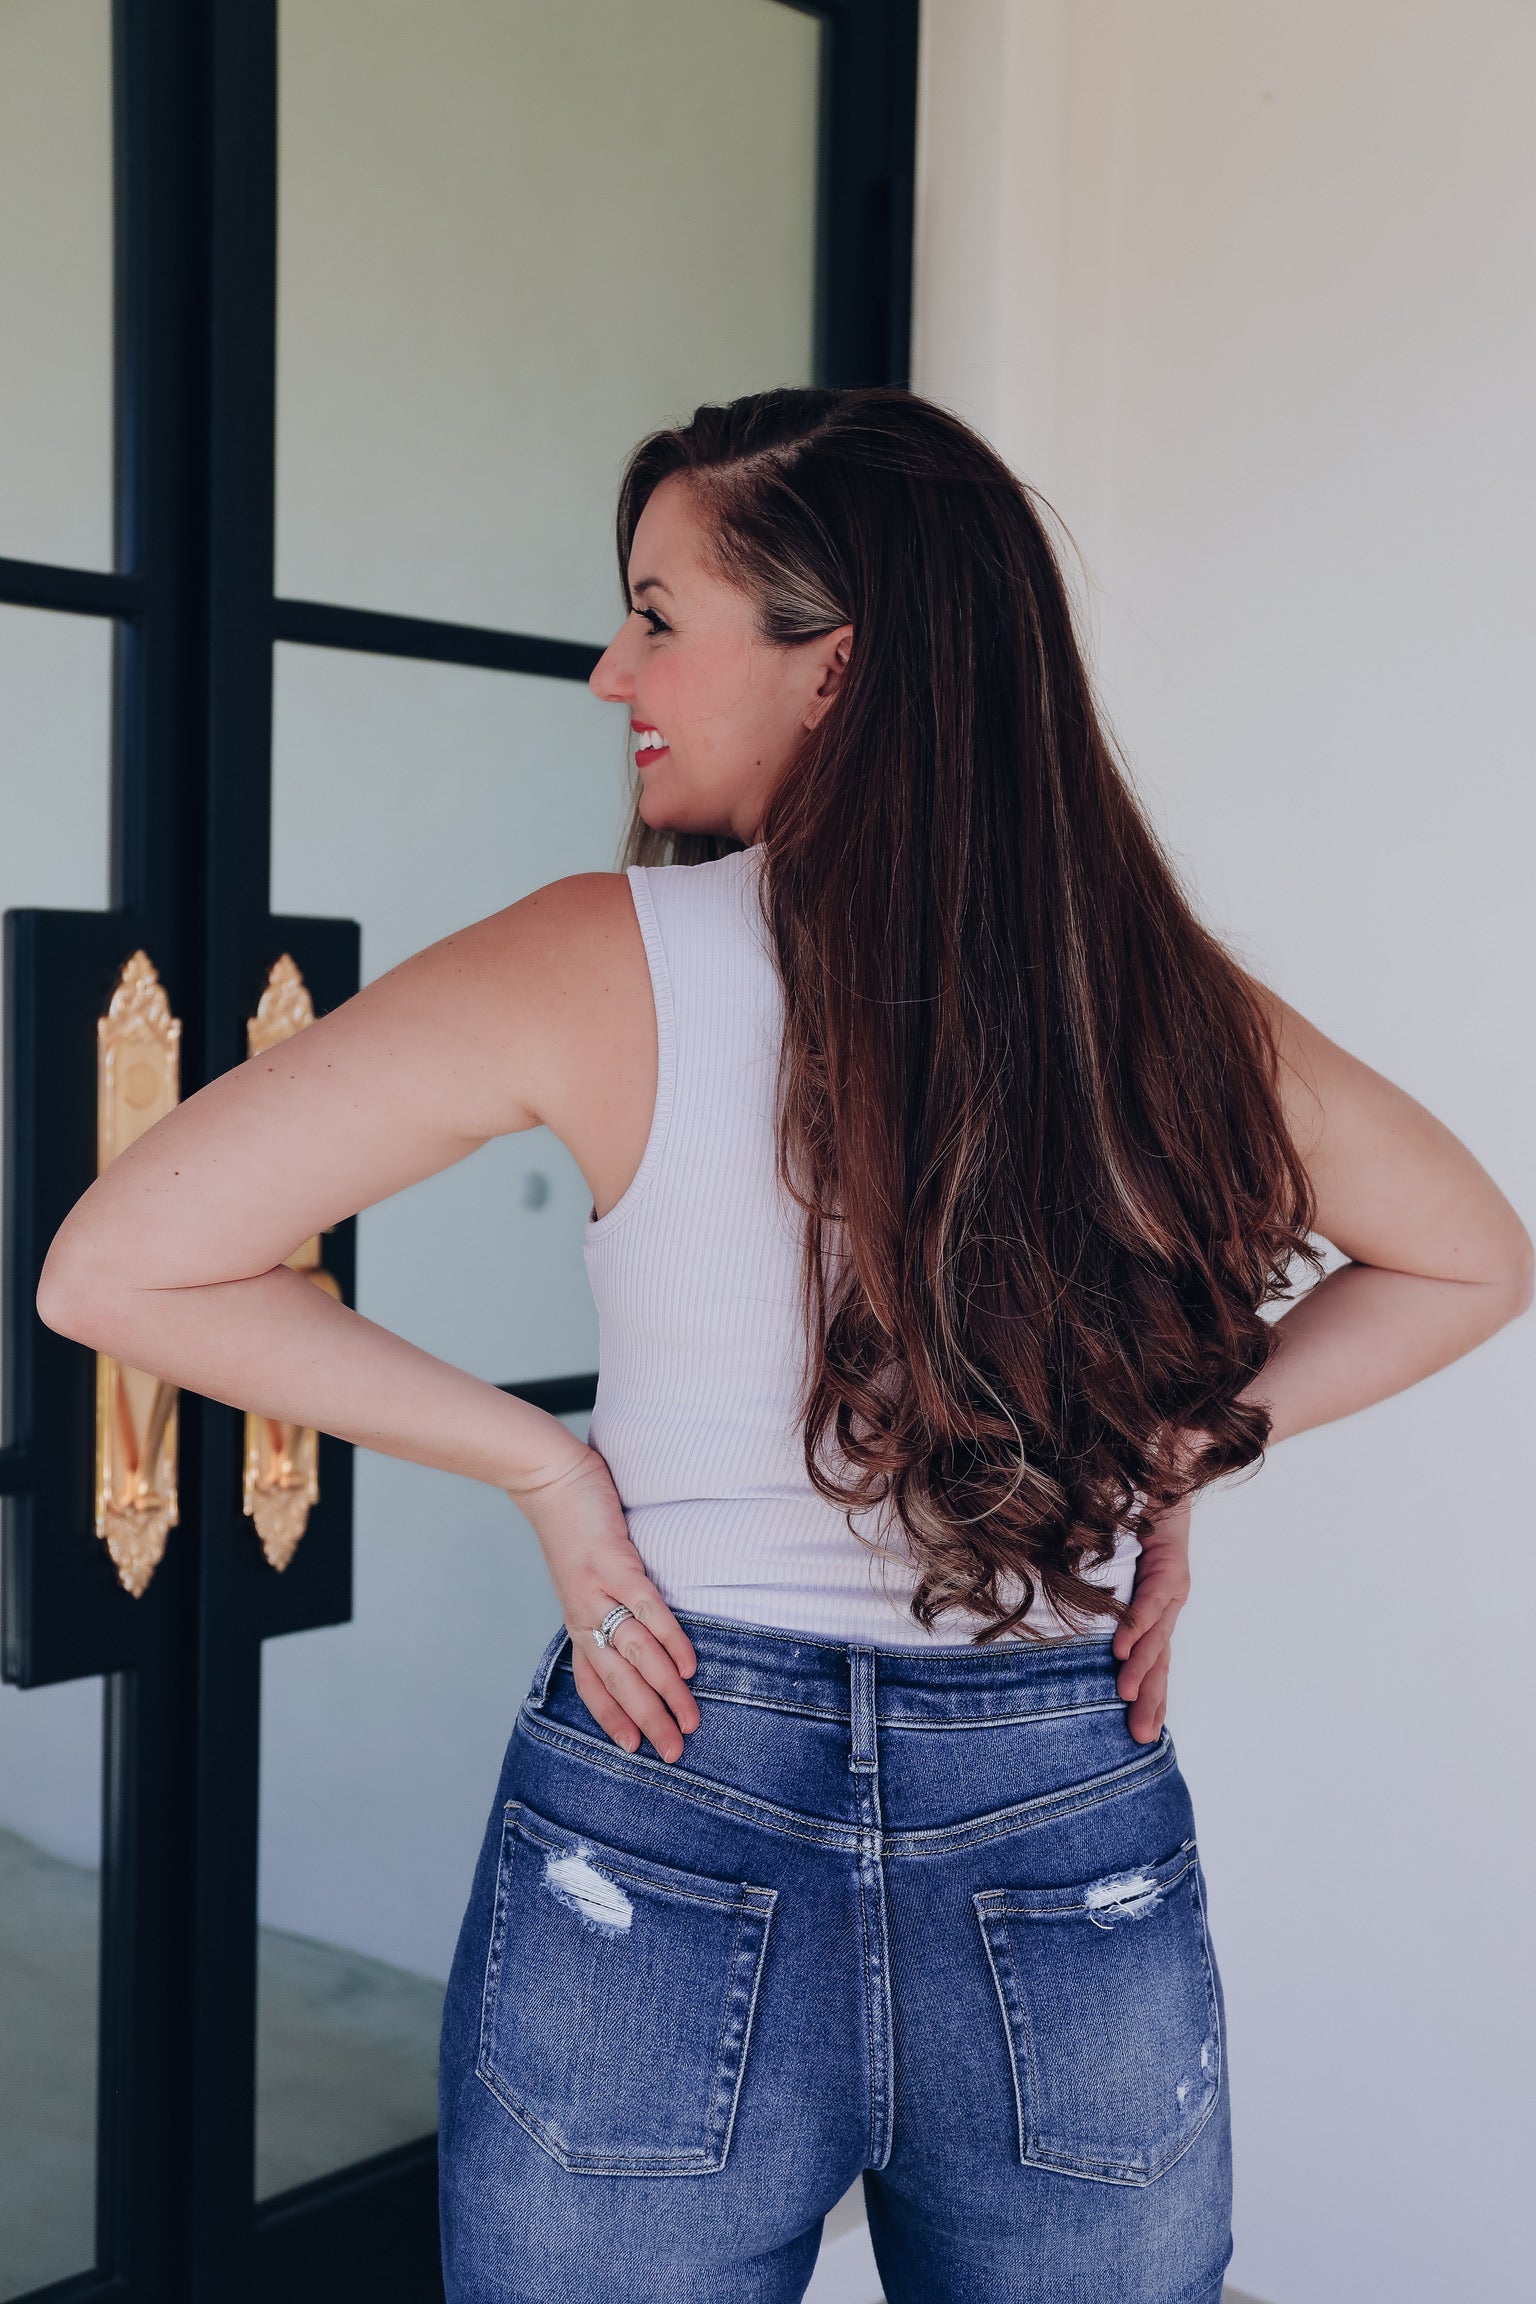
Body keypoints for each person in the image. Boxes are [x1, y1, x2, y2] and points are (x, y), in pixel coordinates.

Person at [38, 387, 1531, 2304]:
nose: (610, 670)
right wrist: (1171, 1449)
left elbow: (117, 1269)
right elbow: (1467, 1261)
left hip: (671, 1778)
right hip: (1060, 1789)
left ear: (840, 664)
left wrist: (546, 1469)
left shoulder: (600, 956)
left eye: (660, 616)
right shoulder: (1154, 999)